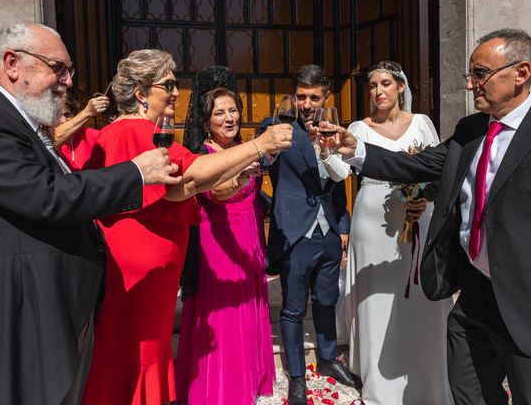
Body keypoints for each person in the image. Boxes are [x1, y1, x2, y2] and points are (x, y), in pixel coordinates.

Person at [0, 23, 183, 405]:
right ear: (13, 63)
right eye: (58, 68)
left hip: (36, 314)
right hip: (0, 316)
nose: (67, 82)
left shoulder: (23, 125)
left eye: (69, 72)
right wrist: (136, 172)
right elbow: (45, 196)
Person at [331, 28, 531, 404]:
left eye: (479, 74)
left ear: (521, 72)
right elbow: (416, 165)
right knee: (468, 391)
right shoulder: (470, 130)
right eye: (470, 74)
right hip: (474, 298)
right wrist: (358, 151)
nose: (469, 85)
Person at [81, 51, 292, 405]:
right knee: (137, 347)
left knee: (132, 346)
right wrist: (261, 144)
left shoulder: (123, 130)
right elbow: (194, 174)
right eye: (168, 84)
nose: (177, 92)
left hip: (147, 269)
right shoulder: (136, 130)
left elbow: (182, 189)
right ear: (141, 93)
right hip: (140, 266)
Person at [320, 61, 452, 405]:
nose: (379, 91)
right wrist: (326, 147)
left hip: (418, 214)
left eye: (385, 84)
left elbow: (439, 169)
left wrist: (426, 200)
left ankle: (427, 373)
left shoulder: (422, 123)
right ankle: (380, 379)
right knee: (378, 296)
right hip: (372, 220)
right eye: (373, 86)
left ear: (401, 88)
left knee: (420, 293)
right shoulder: (358, 128)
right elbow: (337, 174)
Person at [176, 72, 276, 405]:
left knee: (249, 312)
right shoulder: (205, 154)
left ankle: (250, 377)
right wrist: (241, 174)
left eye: (232, 111)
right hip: (218, 245)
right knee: (225, 316)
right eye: (219, 113)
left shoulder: (242, 148)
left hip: (248, 239)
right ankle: (221, 388)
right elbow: (218, 192)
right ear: (206, 122)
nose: (228, 118)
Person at [261, 64, 357, 405]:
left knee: (328, 300)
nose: (306, 103)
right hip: (295, 230)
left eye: (313, 97)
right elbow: (260, 168)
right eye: (300, 96)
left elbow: (337, 183)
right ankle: (298, 377)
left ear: (326, 97)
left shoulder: (334, 129)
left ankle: (329, 359)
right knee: (293, 307)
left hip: (329, 229)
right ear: (293, 96)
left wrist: (343, 226)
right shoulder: (275, 128)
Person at [55, 94, 110, 170]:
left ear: (75, 115)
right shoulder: (45, 139)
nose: (63, 121)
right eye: (56, 116)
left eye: (67, 115)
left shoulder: (94, 135)